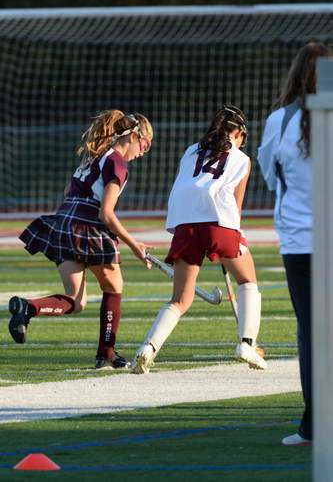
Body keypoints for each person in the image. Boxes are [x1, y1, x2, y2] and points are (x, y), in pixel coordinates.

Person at [8, 109, 154, 369]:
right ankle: (106, 355)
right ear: (133, 136)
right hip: (86, 227)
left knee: (76, 301)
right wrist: (135, 246)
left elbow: (68, 192)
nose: (144, 150)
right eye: (146, 143)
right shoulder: (117, 163)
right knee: (114, 287)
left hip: (63, 222)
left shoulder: (93, 156)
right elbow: (106, 213)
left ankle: (27, 308)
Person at [132, 104, 267, 374]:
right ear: (239, 132)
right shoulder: (242, 158)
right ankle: (247, 344)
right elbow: (236, 208)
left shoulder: (191, 151)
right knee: (248, 281)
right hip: (220, 224)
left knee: (180, 300)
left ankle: (147, 348)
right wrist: (227, 241)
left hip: (185, 226)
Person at [257, 42, 331, 446]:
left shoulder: (279, 121)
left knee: (312, 333)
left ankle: (315, 425)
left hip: (301, 240)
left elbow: (270, 174)